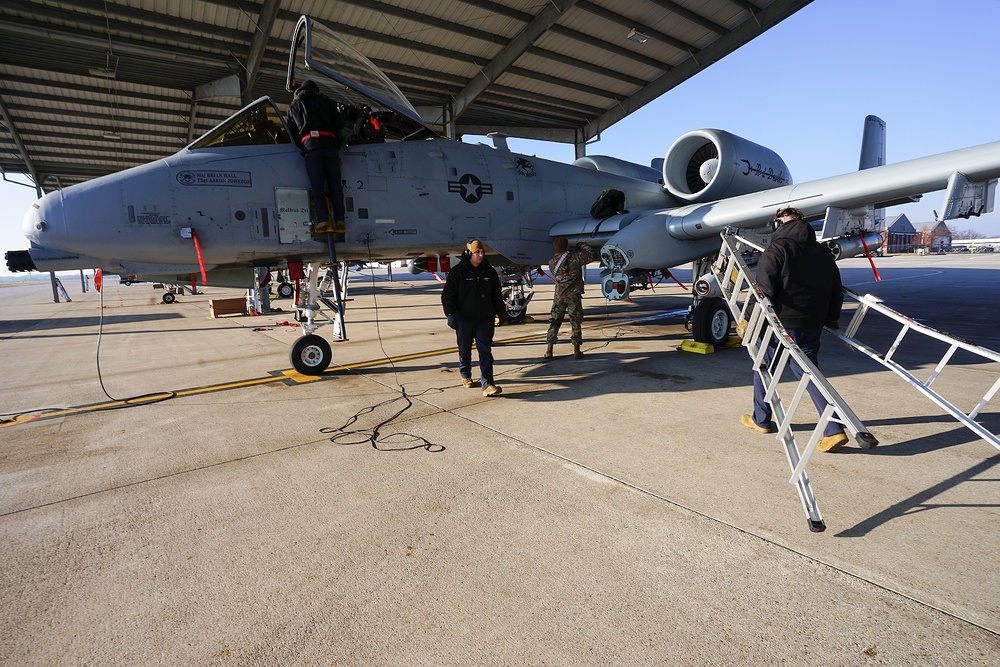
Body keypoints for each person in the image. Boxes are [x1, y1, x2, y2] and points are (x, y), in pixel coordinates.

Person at [741, 207, 850, 452]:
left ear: (780, 223)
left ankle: (761, 419)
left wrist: (748, 318)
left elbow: (763, 290)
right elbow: (836, 291)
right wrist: (832, 319)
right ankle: (834, 430)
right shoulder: (823, 253)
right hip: (812, 323)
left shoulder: (777, 249)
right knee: (809, 374)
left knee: (764, 367)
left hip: (780, 324)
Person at [441, 240, 506, 397]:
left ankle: (488, 384)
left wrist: (501, 312)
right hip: (464, 319)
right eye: (477, 253)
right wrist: (450, 314)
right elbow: (448, 296)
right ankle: (465, 374)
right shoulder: (458, 272)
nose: (481, 255)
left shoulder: (489, 272)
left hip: (485, 318)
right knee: (464, 349)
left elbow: (496, 295)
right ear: (469, 254)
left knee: (485, 351)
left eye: (482, 252)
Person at [285, 79, 346, 235]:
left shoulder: (293, 106)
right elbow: (340, 123)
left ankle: (323, 220)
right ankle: (340, 220)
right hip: (330, 146)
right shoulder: (325, 100)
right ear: (315, 90)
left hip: (311, 147)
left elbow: (290, 132)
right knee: (335, 184)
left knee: (317, 185)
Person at [543, 236, 594, 359]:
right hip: (573, 295)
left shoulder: (552, 262)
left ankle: (549, 350)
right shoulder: (576, 257)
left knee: (555, 322)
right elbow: (592, 256)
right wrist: (582, 246)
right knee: (575, 322)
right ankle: (577, 350)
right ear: (567, 246)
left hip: (559, 295)